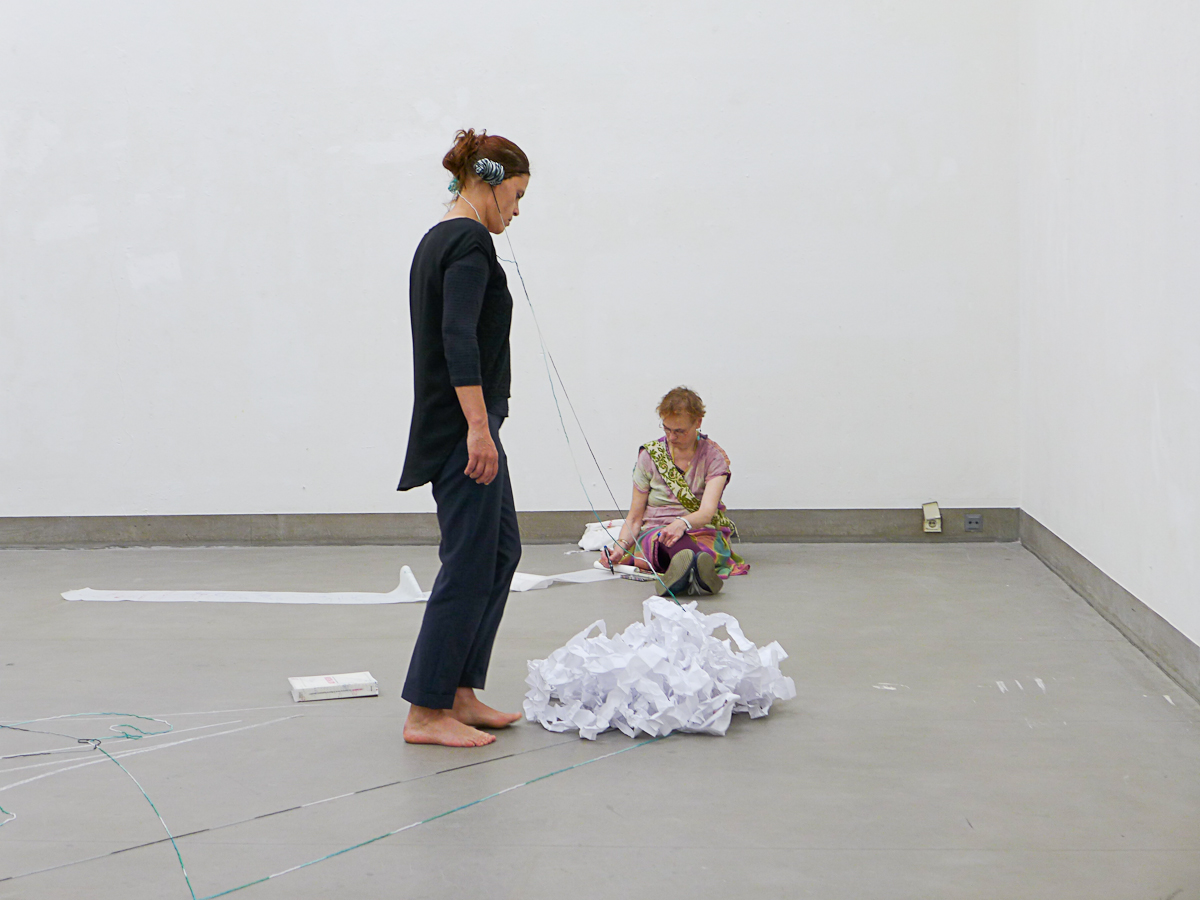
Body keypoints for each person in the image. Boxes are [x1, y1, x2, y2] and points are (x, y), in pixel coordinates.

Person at [397, 128, 530, 747]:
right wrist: (478, 427)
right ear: (489, 182)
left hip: (470, 426)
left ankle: (458, 692)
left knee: (499, 551)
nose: (518, 211)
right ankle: (426, 712)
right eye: (517, 195)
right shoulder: (469, 242)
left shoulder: (441, 238)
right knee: (470, 560)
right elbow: (458, 340)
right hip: (463, 430)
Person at [599, 387, 749, 596]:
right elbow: (634, 517)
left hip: (700, 530)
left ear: (698, 422)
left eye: (680, 431)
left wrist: (681, 524)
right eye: (666, 429)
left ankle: (682, 573)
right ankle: (698, 572)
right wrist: (620, 547)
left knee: (699, 546)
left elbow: (707, 512)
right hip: (656, 532)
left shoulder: (714, 457)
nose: (671, 437)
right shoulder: (650, 456)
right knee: (664, 540)